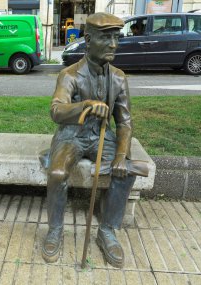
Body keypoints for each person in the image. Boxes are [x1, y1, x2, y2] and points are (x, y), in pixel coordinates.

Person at [41, 13, 136, 269]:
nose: (113, 45)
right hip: (72, 135)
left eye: (116, 38)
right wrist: (85, 106)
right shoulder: (69, 75)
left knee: (126, 171)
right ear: (89, 39)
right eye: (106, 38)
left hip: (102, 137)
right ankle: (55, 229)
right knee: (58, 172)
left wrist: (119, 156)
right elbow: (56, 111)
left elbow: (125, 123)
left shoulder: (118, 77)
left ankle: (107, 231)